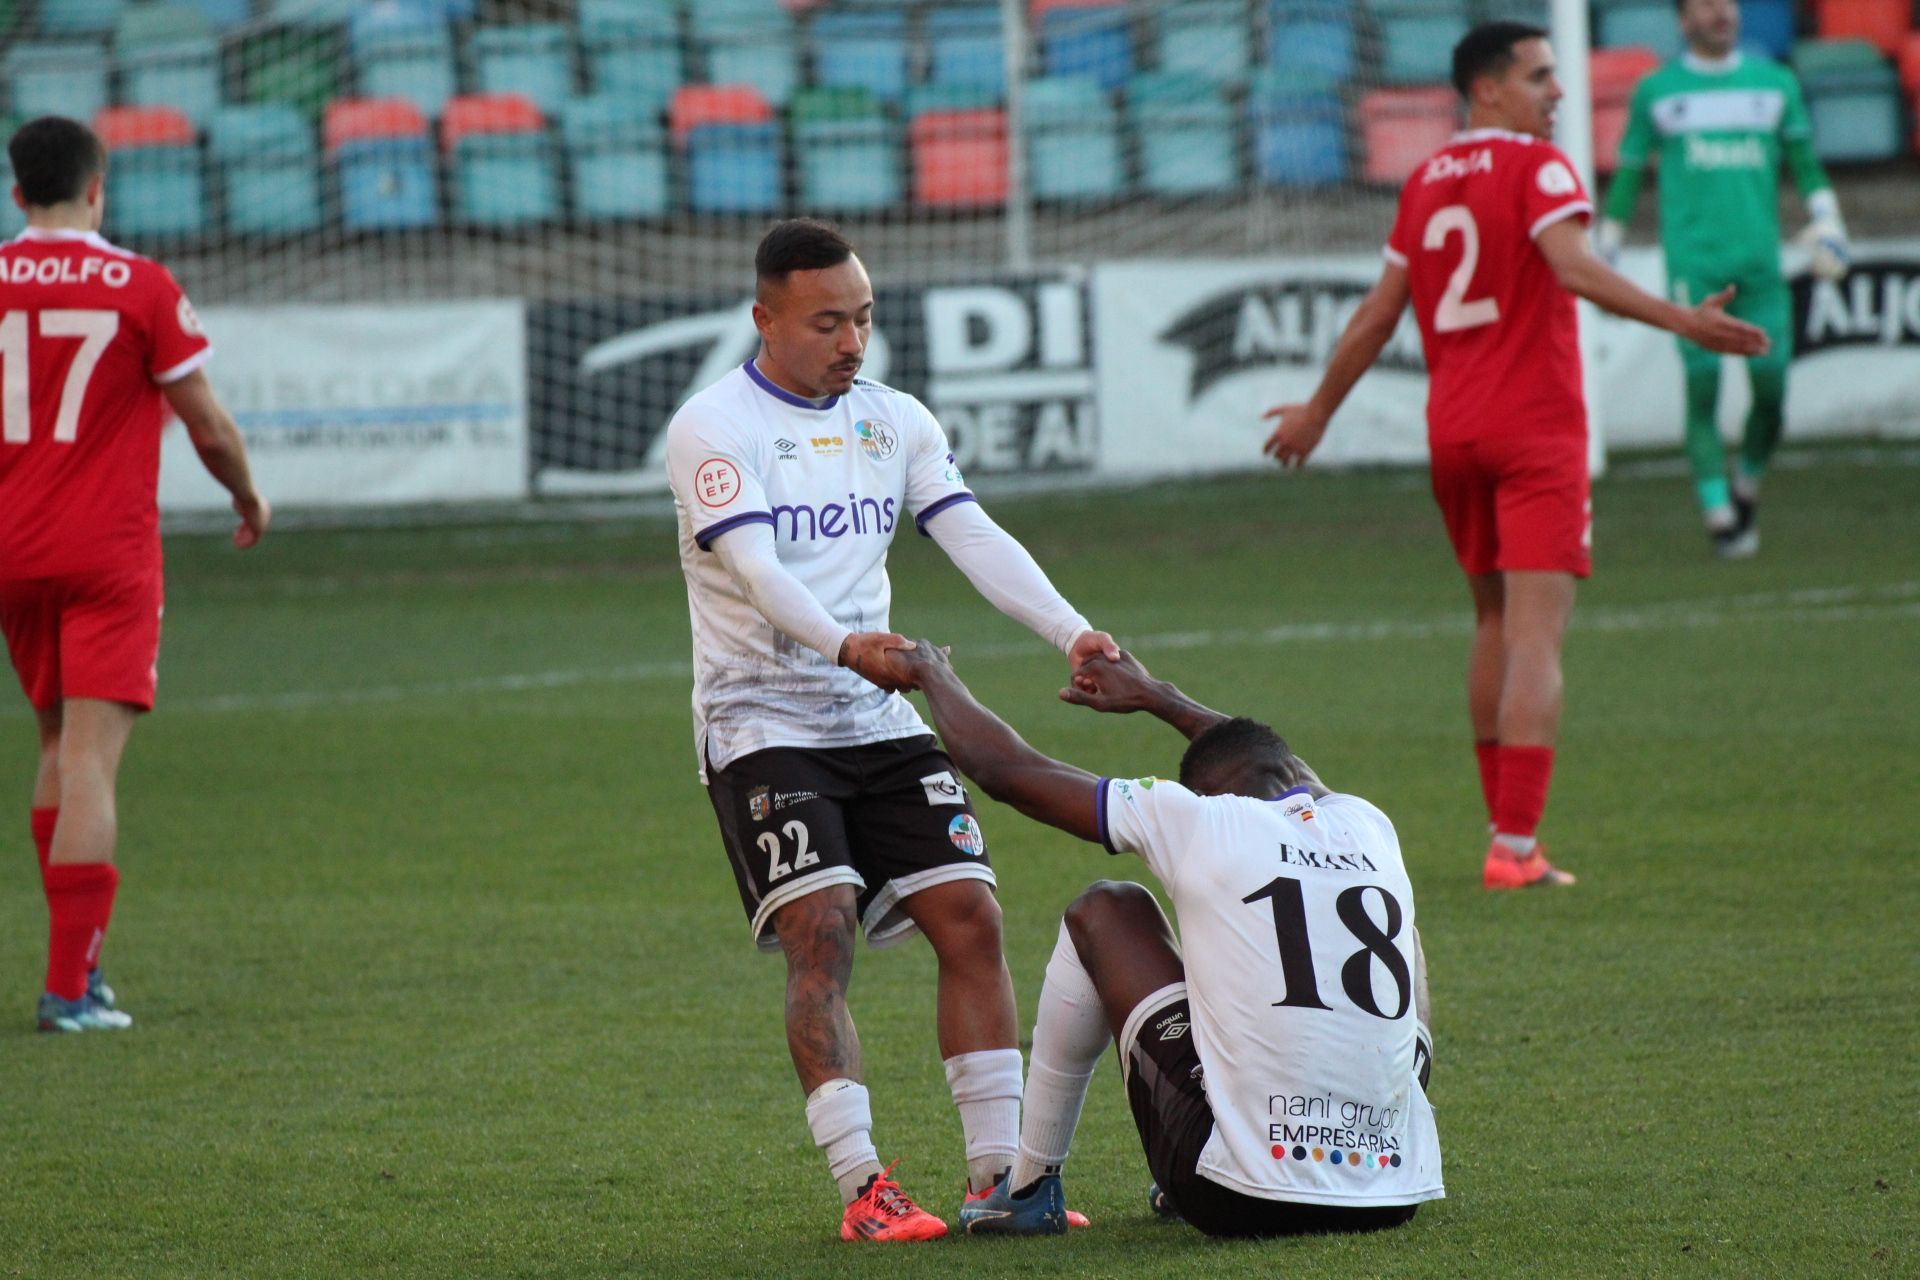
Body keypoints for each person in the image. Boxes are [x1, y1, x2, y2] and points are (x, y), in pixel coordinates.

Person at [663, 218, 1116, 1242]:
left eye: (863, 317)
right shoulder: (713, 425)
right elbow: (758, 571)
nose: (852, 340)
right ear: (765, 319)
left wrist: (1071, 629)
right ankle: (867, 1186)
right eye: (827, 321)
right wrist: (845, 643)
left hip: (878, 713)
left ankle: (1000, 1177)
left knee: (974, 916)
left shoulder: (893, 419)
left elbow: (971, 531)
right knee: (819, 930)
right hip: (761, 718)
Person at [1261, 23, 1768, 890]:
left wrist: (1317, 410)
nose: (1558, 93)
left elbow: (1382, 314)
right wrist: (1682, 319)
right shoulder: (1539, 168)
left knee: (1494, 623)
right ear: (1487, 89)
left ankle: (1506, 834)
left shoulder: (1425, 181)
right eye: (1540, 78)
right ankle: (1517, 847)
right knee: (1538, 634)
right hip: (1535, 431)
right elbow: (1570, 267)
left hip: (1454, 431)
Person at [885, 642, 1443, 1237]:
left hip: (1240, 1198)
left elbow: (1005, 771)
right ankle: (1375, 1123)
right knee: (1402, 933)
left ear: (1210, 793)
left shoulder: (1199, 819)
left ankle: (1027, 1187)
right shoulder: (1367, 824)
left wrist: (932, 672)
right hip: (1390, 1192)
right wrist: (1158, 696)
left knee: (1107, 908)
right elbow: (1272, 758)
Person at [1, 116, 269, 1033]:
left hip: (13, 549)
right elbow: (205, 423)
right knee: (89, 761)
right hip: (106, 555)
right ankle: (69, 990)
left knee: (51, 747)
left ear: (16, 193)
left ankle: (82, 969)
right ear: (98, 187)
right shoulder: (137, 284)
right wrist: (246, 497)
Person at [1598, 0, 1847, 558]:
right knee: (1704, 387)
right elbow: (1629, 175)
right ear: (1682, 20)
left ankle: (1747, 486)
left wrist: (1829, 221)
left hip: (1760, 265)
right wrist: (1606, 246)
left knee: (1772, 389)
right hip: (1695, 267)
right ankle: (1719, 515)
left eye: (1728, 3)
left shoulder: (1776, 83)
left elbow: (1806, 166)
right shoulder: (1656, 92)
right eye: (1706, 5)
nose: (1722, 13)